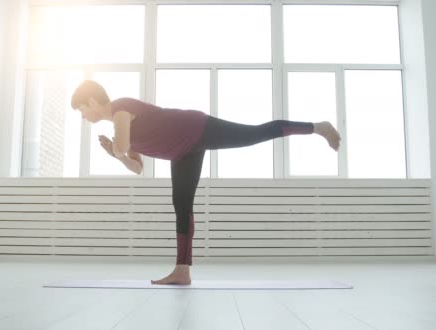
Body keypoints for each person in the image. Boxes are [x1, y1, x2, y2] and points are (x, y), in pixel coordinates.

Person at [71, 80, 341, 285]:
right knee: (181, 203)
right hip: (181, 151)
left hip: (195, 127)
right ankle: (182, 271)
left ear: (93, 101)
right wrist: (117, 156)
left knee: (255, 133)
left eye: (82, 110)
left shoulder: (120, 109)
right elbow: (137, 167)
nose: (83, 117)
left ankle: (317, 127)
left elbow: (121, 147)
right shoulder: (120, 128)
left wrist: (116, 151)